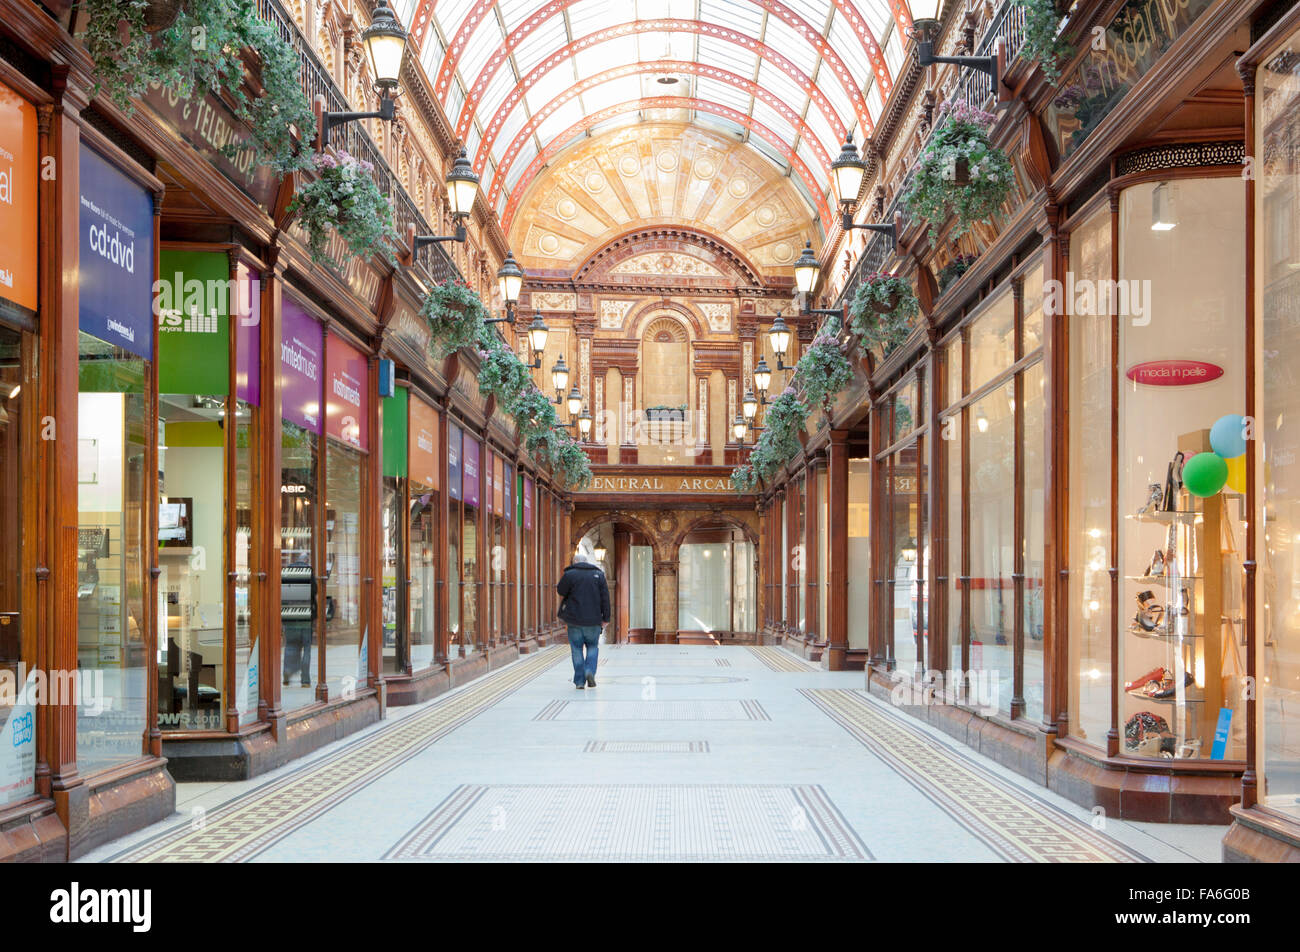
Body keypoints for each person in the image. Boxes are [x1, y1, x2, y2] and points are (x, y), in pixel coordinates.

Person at [556, 542, 610, 689]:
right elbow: (605, 598)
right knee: (593, 647)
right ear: (587, 563)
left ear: (575, 562)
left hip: (574, 621)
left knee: (576, 648)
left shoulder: (570, 574)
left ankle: (579, 681)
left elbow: (560, 591)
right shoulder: (599, 575)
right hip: (593, 621)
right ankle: (589, 671)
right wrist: (606, 618)